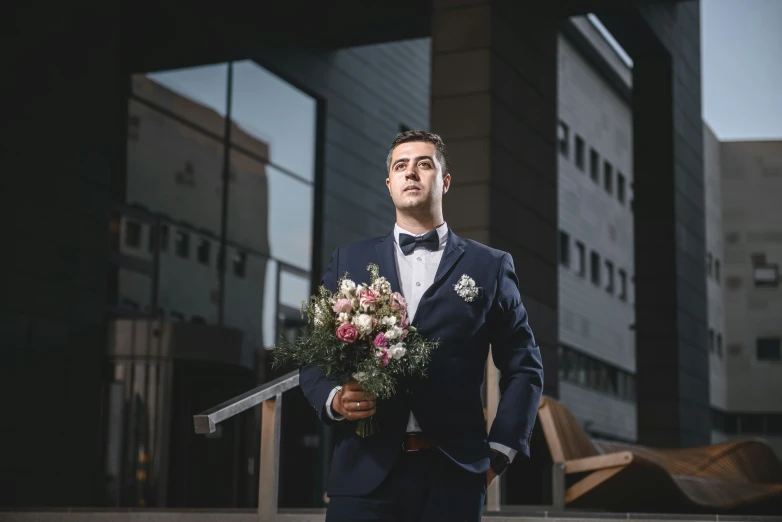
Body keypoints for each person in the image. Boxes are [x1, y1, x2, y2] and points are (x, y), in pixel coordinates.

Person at [299, 130, 544, 522]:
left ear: (444, 181)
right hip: (362, 475)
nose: (411, 172)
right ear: (389, 184)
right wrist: (335, 399)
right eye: (401, 166)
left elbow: (524, 364)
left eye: (424, 164)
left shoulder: (490, 266)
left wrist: (500, 451)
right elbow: (312, 356)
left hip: (454, 476)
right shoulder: (349, 260)